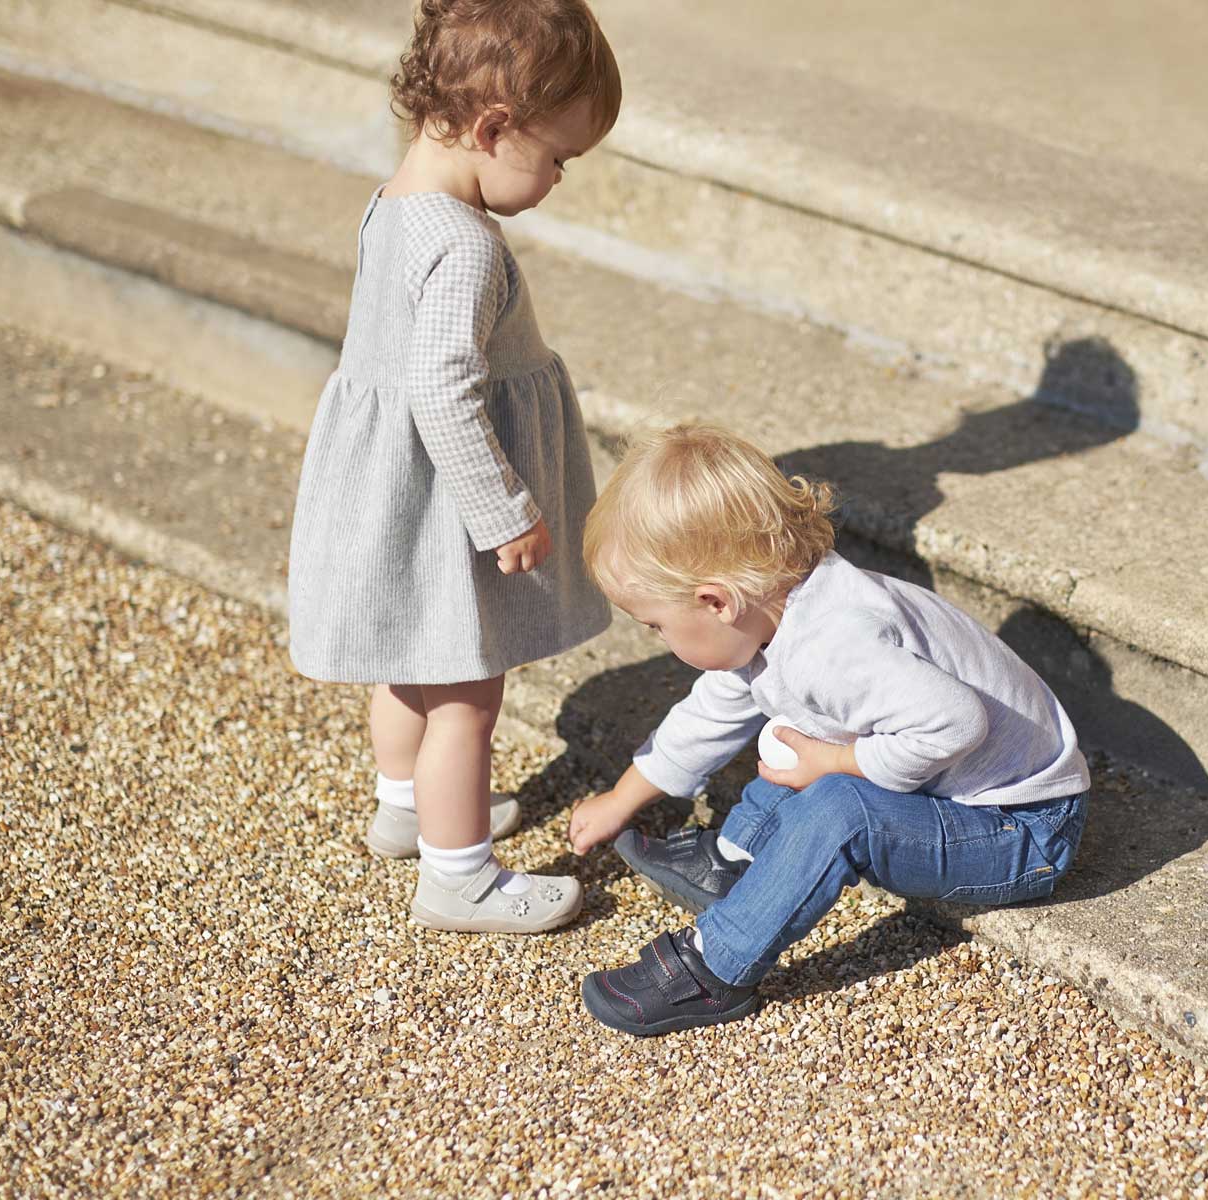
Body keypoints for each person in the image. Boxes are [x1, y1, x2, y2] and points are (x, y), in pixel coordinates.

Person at [568, 425, 1090, 1033]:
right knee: (800, 734)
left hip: (1023, 830)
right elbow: (711, 711)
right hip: (961, 791)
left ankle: (715, 970)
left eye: (654, 625)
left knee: (839, 803)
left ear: (716, 602)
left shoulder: (833, 649)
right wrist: (623, 798)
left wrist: (836, 764)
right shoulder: (781, 606)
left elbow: (956, 723)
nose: (657, 638)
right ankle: (737, 864)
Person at [287, 0, 620, 933]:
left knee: (404, 663)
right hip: (445, 497)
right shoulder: (465, 247)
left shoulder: (394, 204)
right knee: (466, 692)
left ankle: (406, 807)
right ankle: (460, 874)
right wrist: (504, 507)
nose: (558, 177)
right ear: (491, 129)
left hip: (390, 489)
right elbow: (442, 390)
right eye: (558, 157)